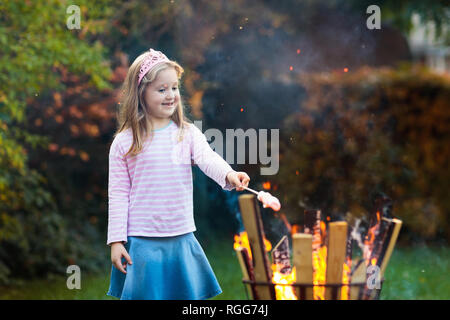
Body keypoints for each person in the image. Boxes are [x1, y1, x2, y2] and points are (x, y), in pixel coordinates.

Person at [106, 48, 250, 300]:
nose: (170, 95)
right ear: (141, 94)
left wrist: (228, 174)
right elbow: (118, 194)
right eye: (161, 89)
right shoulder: (124, 142)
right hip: (142, 240)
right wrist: (116, 241)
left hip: (181, 235)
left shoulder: (187, 134)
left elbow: (208, 159)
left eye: (174, 88)